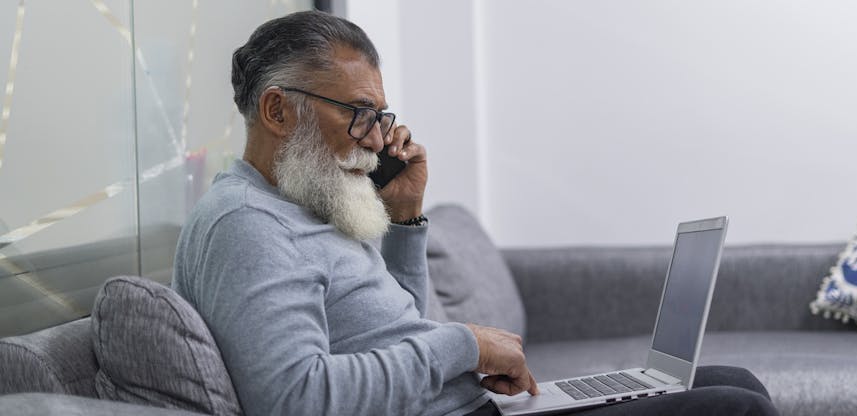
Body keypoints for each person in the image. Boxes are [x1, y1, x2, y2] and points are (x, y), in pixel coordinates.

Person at [172, 10, 778, 416]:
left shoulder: (315, 200)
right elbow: (294, 398)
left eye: (381, 117)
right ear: (278, 112)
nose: (378, 140)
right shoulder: (247, 227)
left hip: (476, 408)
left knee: (735, 383)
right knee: (737, 408)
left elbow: (403, 328)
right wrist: (464, 347)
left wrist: (404, 221)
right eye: (359, 112)